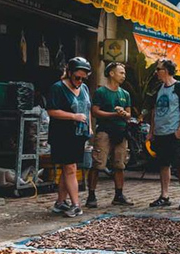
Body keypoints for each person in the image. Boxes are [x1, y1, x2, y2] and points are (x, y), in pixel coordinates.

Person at [47, 57, 92, 218]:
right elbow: (51, 111)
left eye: (83, 78)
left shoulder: (84, 88)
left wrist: (90, 128)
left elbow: (88, 109)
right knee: (70, 168)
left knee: (68, 169)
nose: (79, 81)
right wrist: (73, 116)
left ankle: (60, 202)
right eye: (77, 78)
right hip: (62, 133)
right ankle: (76, 204)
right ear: (69, 73)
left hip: (79, 134)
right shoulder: (57, 88)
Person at [85, 62, 134, 208]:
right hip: (104, 131)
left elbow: (129, 113)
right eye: (121, 72)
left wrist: (124, 114)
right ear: (111, 74)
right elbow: (94, 112)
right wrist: (114, 114)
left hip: (121, 132)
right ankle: (91, 195)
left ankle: (119, 195)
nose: (123, 76)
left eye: (124, 73)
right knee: (98, 164)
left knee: (120, 164)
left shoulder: (125, 94)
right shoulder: (101, 92)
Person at [147, 58, 180, 210]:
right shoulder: (159, 88)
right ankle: (164, 195)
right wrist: (152, 131)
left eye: (158, 69)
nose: (156, 72)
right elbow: (154, 112)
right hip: (160, 133)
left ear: (165, 71)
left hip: (174, 133)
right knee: (163, 165)